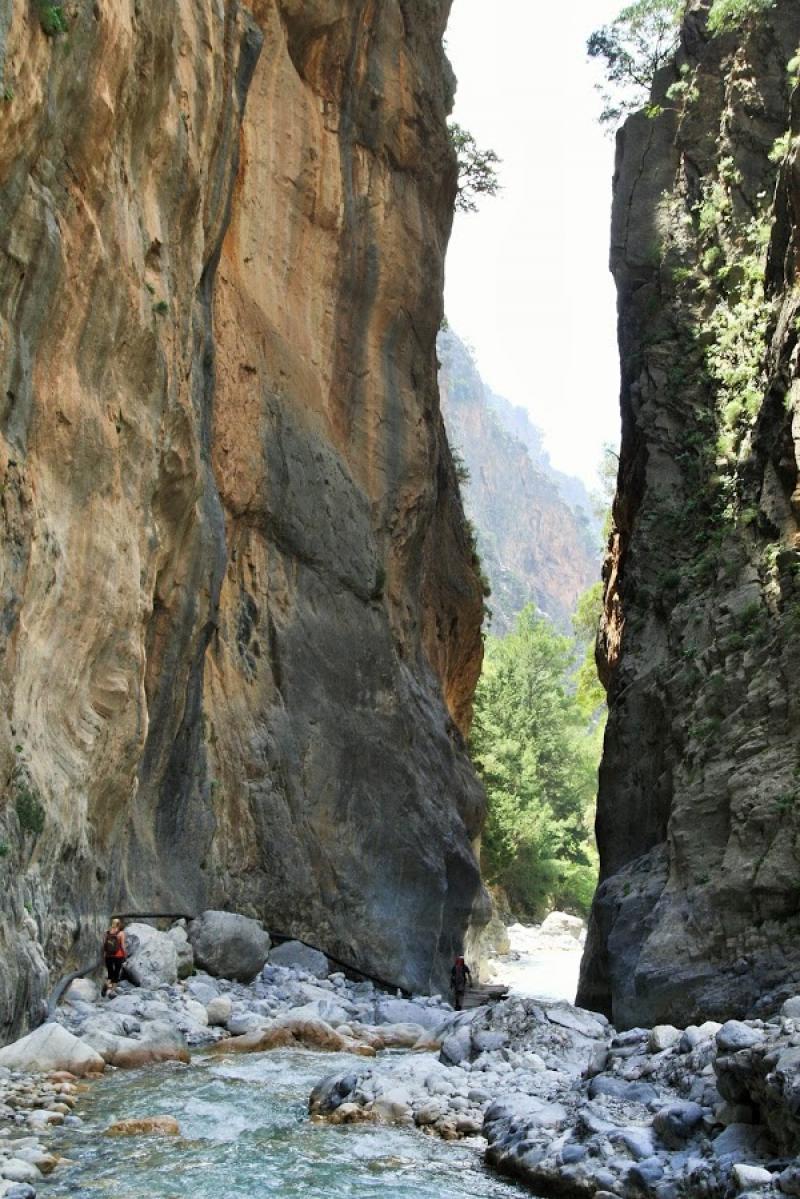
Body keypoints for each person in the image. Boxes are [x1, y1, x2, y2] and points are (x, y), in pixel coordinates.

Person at [102, 917, 127, 997]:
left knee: (110, 973)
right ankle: (112, 992)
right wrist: (125, 954)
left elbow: (105, 945)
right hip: (118, 956)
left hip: (108, 956)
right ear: (119, 924)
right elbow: (123, 946)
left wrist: (105, 954)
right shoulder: (121, 933)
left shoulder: (107, 932)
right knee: (116, 973)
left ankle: (107, 984)